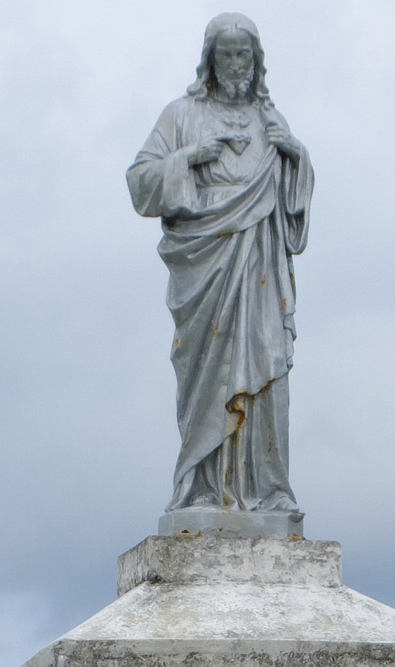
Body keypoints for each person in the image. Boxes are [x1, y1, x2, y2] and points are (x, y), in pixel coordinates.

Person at [127, 12, 314, 523]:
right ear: (210, 60)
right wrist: (188, 158)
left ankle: (269, 489)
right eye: (226, 54)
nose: (236, 64)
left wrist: (294, 156)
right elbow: (140, 181)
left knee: (267, 364)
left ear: (256, 61)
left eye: (243, 54)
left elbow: (293, 206)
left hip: (260, 262)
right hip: (206, 264)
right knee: (209, 371)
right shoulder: (181, 115)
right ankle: (203, 486)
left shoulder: (270, 120)